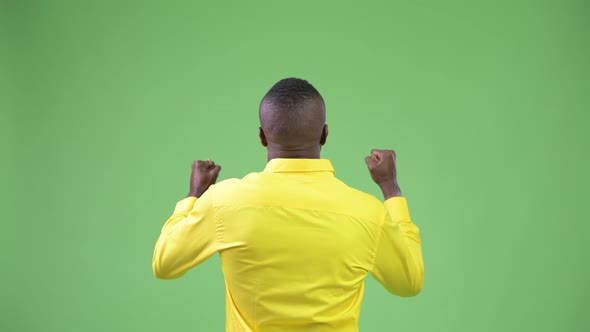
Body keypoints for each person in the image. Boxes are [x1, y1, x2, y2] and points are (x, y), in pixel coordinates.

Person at [152, 78, 424, 332]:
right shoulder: (368, 213)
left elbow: (165, 264)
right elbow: (409, 282)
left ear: (262, 137)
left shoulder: (224, 202)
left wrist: (193, 195)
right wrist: (391, 189)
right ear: (325, 135)